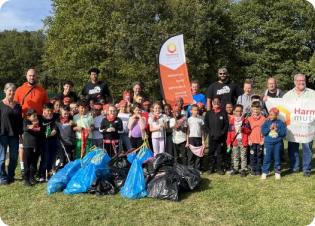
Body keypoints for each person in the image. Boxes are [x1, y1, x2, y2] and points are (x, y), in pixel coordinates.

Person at [14, 69, 49, 178]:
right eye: (30, 76)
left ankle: (33, 170)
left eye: (33, 76)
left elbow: (47, 105)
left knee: (35, 146)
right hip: (24, 120)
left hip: (37, 121)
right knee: (23, 146)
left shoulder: (41, 90)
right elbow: (15, 106)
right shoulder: (19, 90)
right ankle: (24, 169)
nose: (32, 77)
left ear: (36, 76)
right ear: (26, 76)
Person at [283, 73, 315, 177]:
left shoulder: (312, 93)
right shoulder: (288, 95)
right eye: (299, 81)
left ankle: (307, 169)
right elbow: (280, 106)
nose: (301, 82)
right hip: (293, 127)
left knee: (307, 147)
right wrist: (268, 100)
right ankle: (294, 167)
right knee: (293, 147)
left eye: (303, 81)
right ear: (294, 82)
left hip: (307, 126)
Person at [0, 83, 23, 185]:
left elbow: (19, 122)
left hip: (14, 135)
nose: (12, 92)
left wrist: (21, 136)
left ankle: (11, 176)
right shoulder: (0, 105)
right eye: (10, 90)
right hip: (2, 135)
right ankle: (3, 178)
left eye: (13, 90)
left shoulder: (18, 106)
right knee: (2, 158)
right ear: (5, 91)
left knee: (13, 157)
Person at [204, 97, 229, 175]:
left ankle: (220, 168)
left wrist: (222, 132)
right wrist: (209, 132)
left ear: (220, 103)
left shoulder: (223, 113)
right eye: (215, 101)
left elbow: (226, 124)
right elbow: (206, 124)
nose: (216, 103)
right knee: (211, 153)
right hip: (212, 137)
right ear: (212, 103)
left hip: (221, 138)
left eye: (218, 101)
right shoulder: (208, 113)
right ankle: (211, 167)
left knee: (220, 153)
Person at [261, 107, 286, 179]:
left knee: (277, 158)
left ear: (277, 116)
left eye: (272, 115)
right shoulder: (266, 122)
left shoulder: (281, 123)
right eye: (270, 114)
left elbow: (284, 134)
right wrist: (269, 129)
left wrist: (277, 130)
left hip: (277, 143)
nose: (270, 116)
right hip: (268, 143)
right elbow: (263, 132)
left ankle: (277, 172)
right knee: (267, 158)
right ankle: (264, 172)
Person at [226, 104, 251, 177]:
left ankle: (243, 169)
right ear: (233, 112)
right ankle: (236, 169)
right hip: (235, 141)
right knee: (235, 155)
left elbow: (249, 131)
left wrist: (243, 129)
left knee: (243, 156)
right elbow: (229, 133)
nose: (239, 113)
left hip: (243, 141)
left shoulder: (245, 121)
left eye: (240, 111)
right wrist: (228, 142)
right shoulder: (231, 122)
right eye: (237, 111)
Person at [38, 103, 58, 182]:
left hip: (53, 139)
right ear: (43, 110)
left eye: (51, 111)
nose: (50, 112)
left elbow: (55, 129)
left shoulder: (55, 116)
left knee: (52, 157)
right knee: (45, 157)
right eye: (48, 111)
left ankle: (48, 172)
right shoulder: (40, 118)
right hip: (43, 140)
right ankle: (41, 174)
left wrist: (50, 134)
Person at [22, 109, 41, 187]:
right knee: (27, 163)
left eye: (36, 115)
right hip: (28, 145)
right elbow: (24, 128)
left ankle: (32, 177)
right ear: (28, 117)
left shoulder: (38, 121)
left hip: (36, 145)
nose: (36, 117)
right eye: (34, 116)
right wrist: (29, 127)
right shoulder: (26, 121)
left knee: (34, 162)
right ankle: (26, 180)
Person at [247, 101, 266, 176]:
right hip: (252, 141)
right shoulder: (249, 119)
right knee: (252, 156)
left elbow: (265, 131)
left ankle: (258, 169)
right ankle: (253, 169)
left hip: (260, 141)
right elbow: (247, 131)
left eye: (257, 109)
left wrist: (263, 139)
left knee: (259, 155)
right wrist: (249, 139)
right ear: (252, 109)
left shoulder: (264, 119)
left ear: (260, 109)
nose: (256, 111)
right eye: (254, 109)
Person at [186, 104, 205, 171]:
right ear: (191, 111)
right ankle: (190, 169)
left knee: (198, 154)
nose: (196, 111)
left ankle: (197, 169)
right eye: (194, 110)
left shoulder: (201, 119)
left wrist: (203, 140)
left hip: (198, 138)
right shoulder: (189, 119)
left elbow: (202, 130)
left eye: (197, 110)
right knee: (191, 155)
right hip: (191, 139)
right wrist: (187, 142)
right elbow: (188, 131)